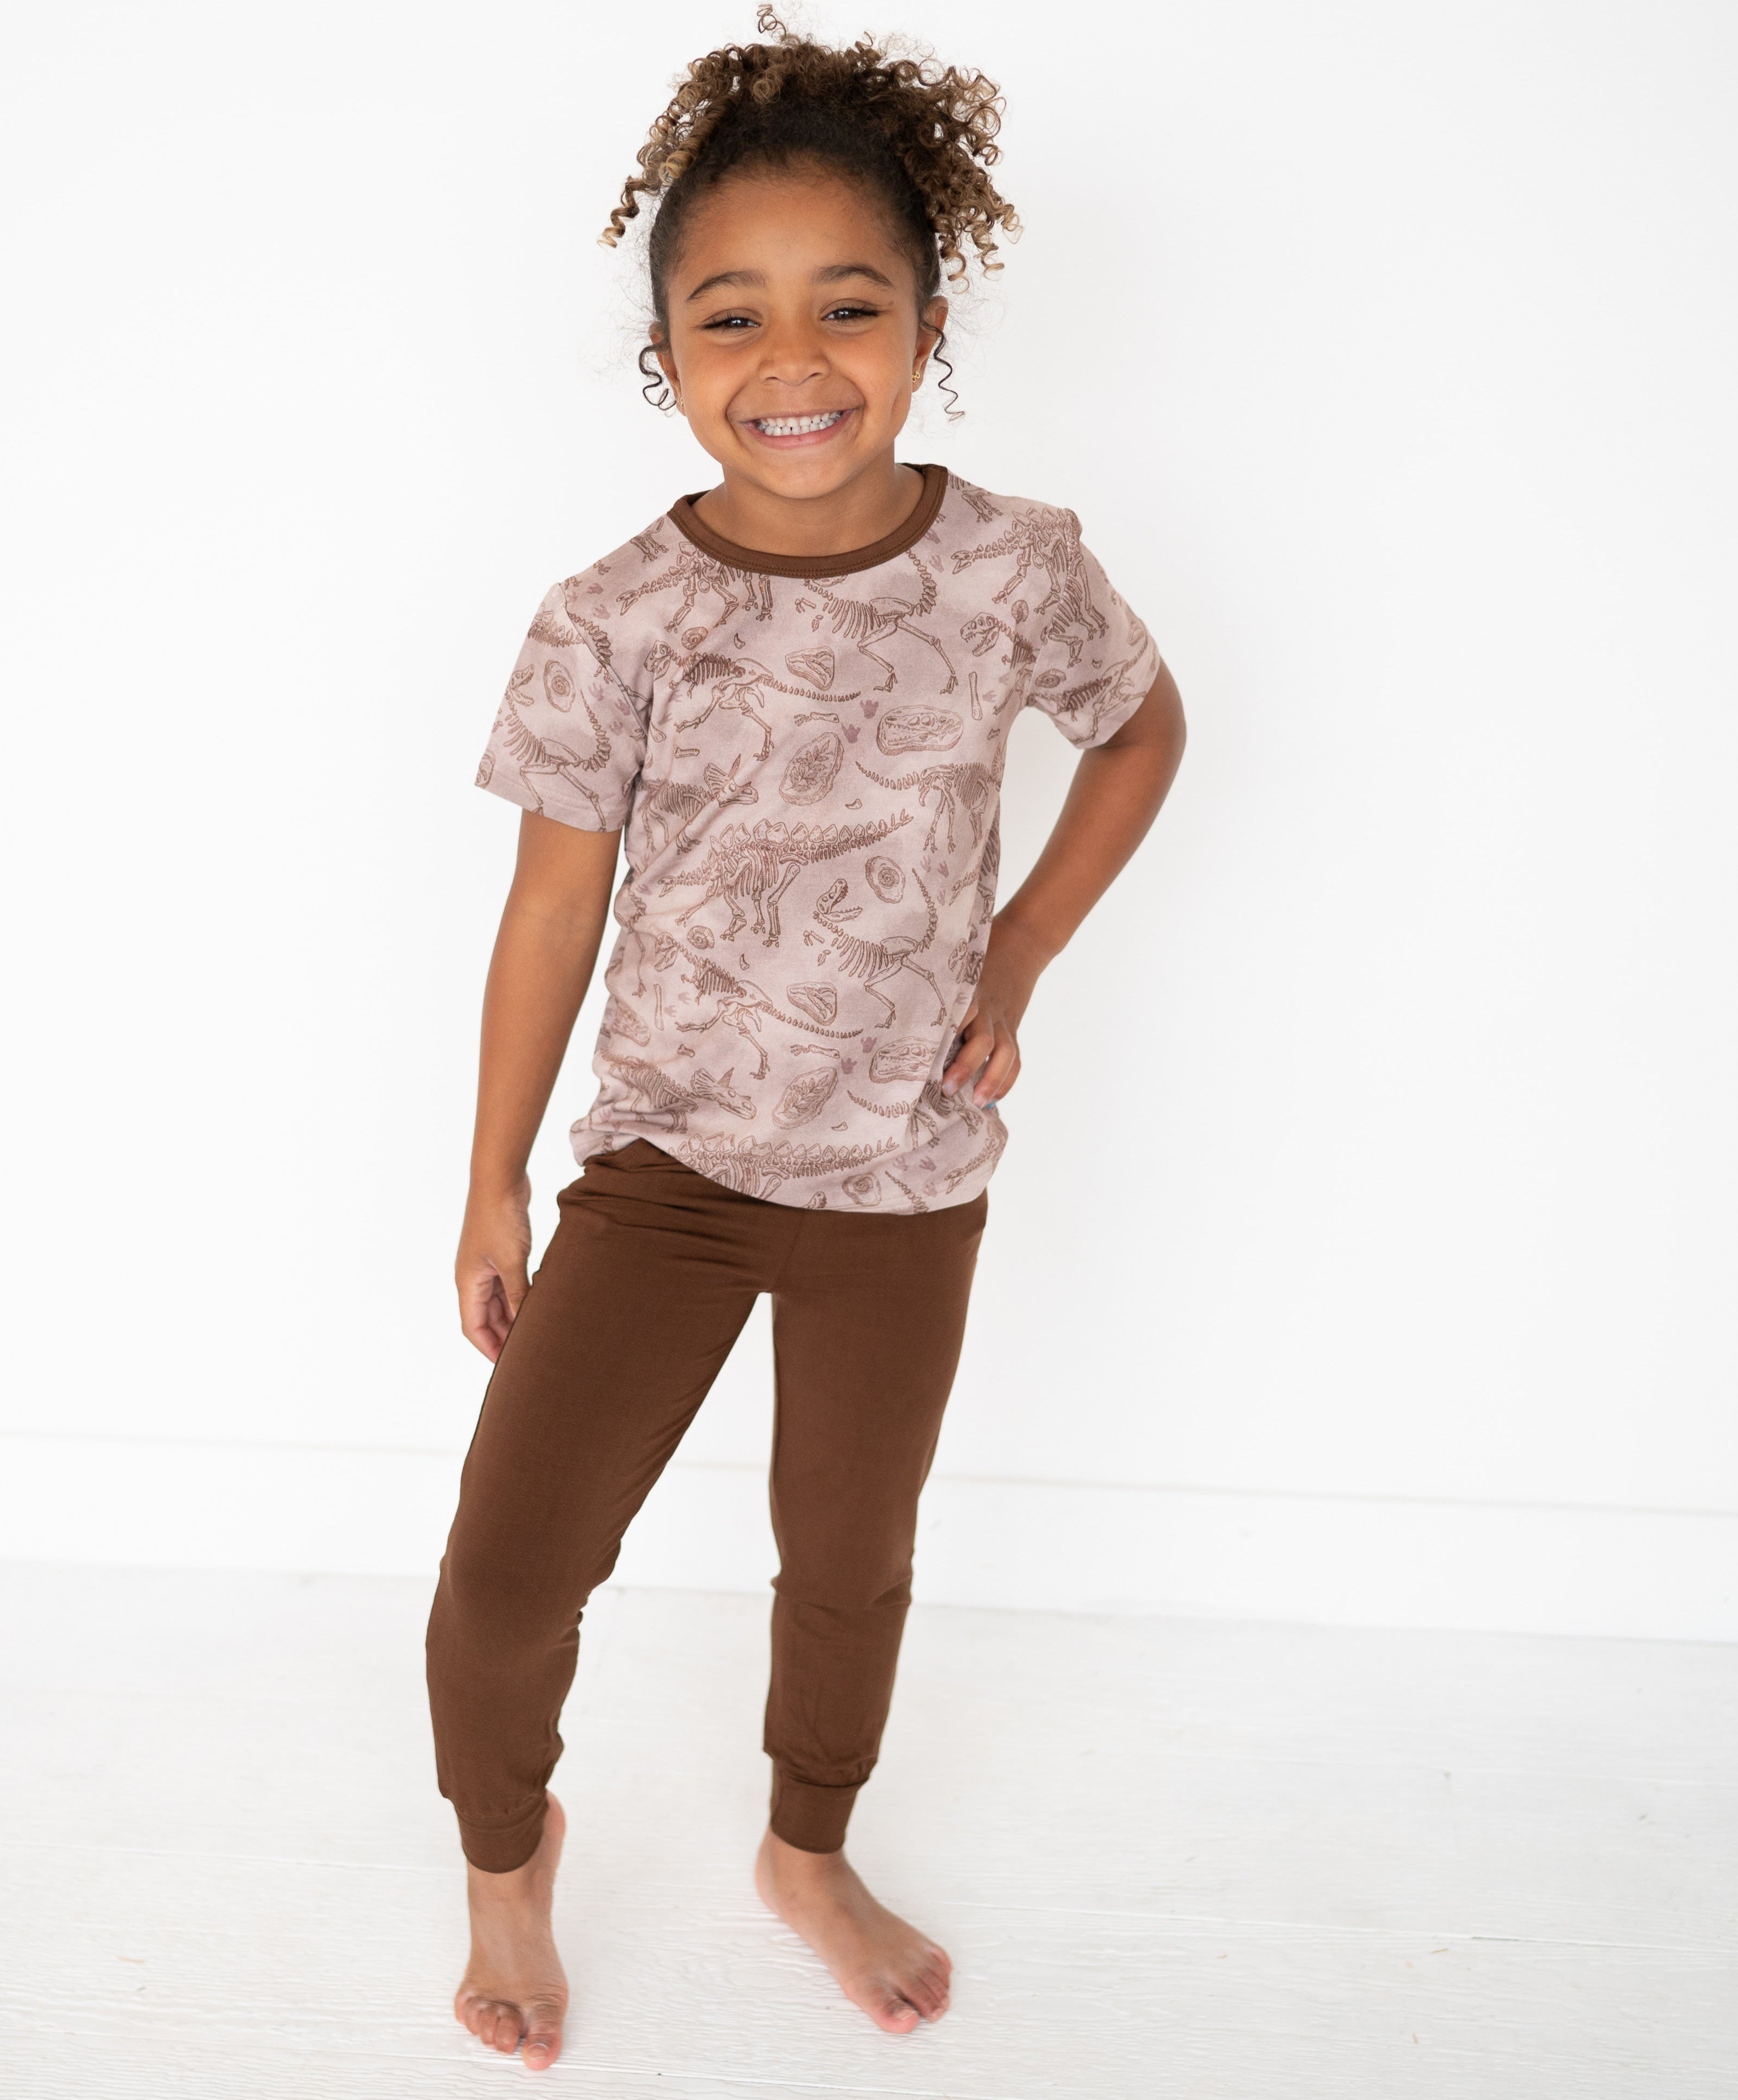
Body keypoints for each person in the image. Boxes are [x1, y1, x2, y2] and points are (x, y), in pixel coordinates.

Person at [427, 8, 1186, 2070]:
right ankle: (509, 1857)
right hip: (665, 1172)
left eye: (847, 307)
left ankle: (804, 1847)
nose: (792, 363)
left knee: (844, 1560)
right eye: (730, 317)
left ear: (924, 324)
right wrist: (496, 1173)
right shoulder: (611, 618)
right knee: (503, 1580)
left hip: (901, 1168)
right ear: (667, 355)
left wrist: (1015, 952)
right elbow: (550, 907)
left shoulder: (1017, 568)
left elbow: (1139, 729)